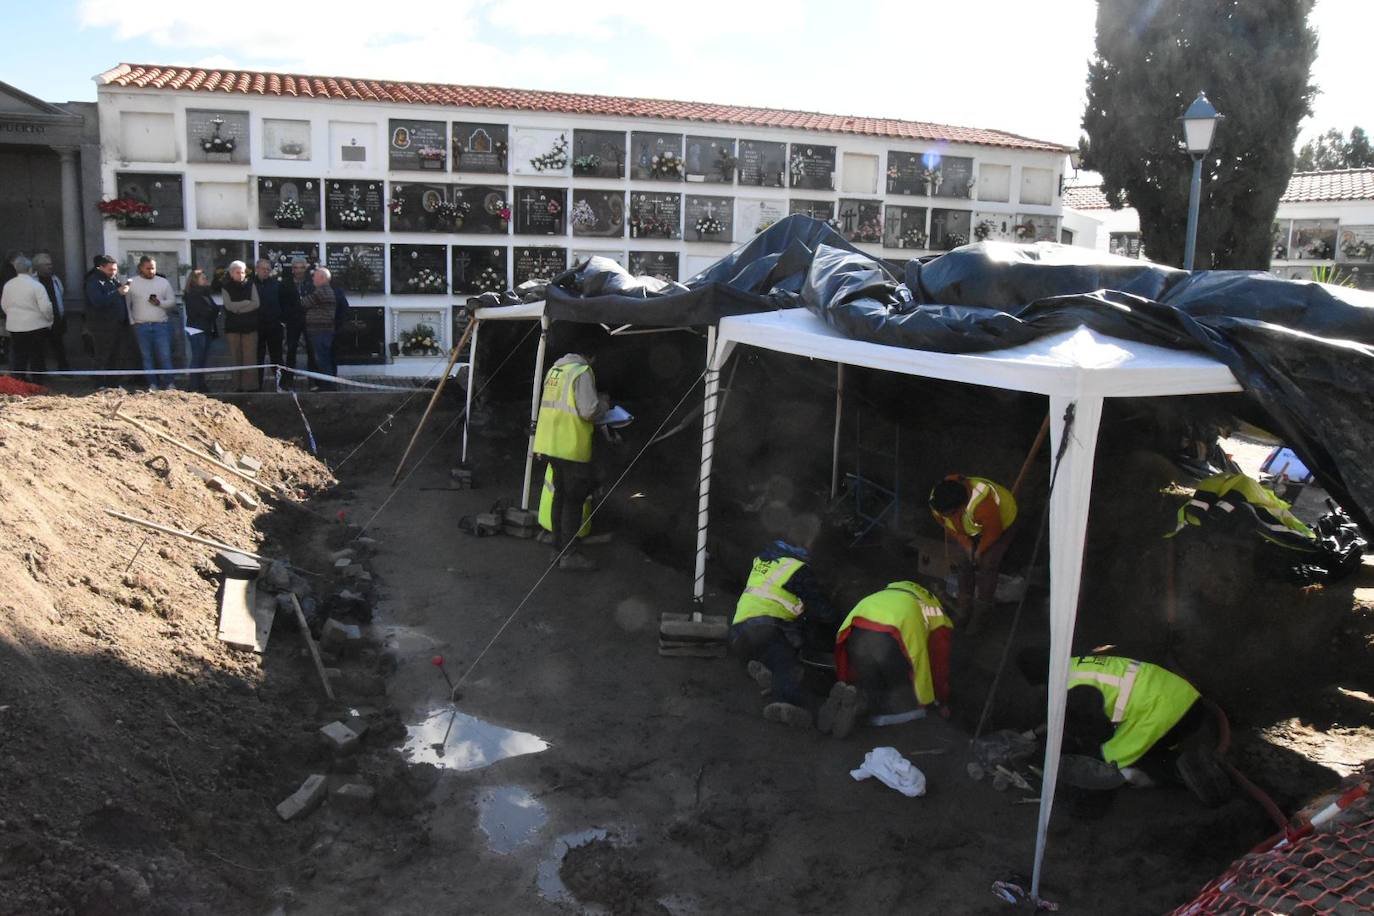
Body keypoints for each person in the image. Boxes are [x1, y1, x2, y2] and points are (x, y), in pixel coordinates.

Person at [1016, 648, 1230, 806]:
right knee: (1139, 745)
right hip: (1186, 700)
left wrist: (1080, 745)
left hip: (1169, 714)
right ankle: (1172, 760)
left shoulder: (1073, 689)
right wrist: (1036, 732)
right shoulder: (1075, 665)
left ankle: (1186, 773)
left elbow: (1097, 731)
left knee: (1108, 760)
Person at [730, 536, 839, 728]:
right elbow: (824, 612)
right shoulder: (797, 570)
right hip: (767, 626)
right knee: (786, 663)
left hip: (739, 631)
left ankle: (763, 672)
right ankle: (788, 703)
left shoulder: (765, 559)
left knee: (769, 654)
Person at [821, 580, 953, 738]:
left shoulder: (886, 593)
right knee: (901, 692)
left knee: (871, 679)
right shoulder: (935, 610)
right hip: (890, 641)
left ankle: (858, 702)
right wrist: (940, 699)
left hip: (856, 633)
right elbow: (939, 662)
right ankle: (873, 714)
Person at [532, 348, 608, 570]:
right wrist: (604, 403)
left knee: (560, 497)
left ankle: (557, 550)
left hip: (551, 444)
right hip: (572, 447)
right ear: (590, 355)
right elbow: (588, 411)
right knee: (573, 502)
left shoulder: (555, 370)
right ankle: (569, 555)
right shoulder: (582, 372)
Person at [929, 474, 1018, 629]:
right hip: (970, 528)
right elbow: (948, 526)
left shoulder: (982, 505)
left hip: (1002, 522)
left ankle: (981, 614)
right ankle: (963, 609)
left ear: (962, 507)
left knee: (988, 564)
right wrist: (967, 545)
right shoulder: (937, 501)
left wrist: (979, 551)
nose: (945, 516)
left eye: (950, 513)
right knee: (963, 562)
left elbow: (993, 532)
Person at [124, 256, 178, 390]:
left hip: (161, 325)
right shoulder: (132, 283)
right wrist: (132, 322)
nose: (151, 271)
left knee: (165, 355)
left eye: (153, 268)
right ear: (140, 268)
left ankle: (169, 383)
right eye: (148, 268)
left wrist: (160, 303)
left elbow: (172, 301)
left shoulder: (163, 282)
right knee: (146, 357)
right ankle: (152, 383)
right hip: (141, 325)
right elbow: (127, 304)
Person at [1, 255, 54, 382]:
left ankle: (19, 382)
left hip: (15, 326)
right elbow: (46, 307)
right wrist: (49, 320)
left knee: (19, 356)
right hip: (36, 326)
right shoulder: (36, 285)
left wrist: (14, 316)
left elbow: (4, 305)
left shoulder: (8, 285)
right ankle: (37, 382)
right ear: (30, 269)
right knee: (37, 356)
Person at [81, 255, 133, 380]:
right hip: (102, 326)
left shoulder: (114, 280)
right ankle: (99, 383)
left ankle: (113, 383)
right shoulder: (93, 281)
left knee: (117, 355)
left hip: (118, 324)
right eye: (110, 270)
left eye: (115, 270)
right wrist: (117, 293)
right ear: (101, 268)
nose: (113, 272)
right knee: (103, 355)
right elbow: (97, 301)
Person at [253, 259, 294, 391]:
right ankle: (257, 385)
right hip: (257, 326)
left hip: (274, 326)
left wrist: (282, 320)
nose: (265, 271)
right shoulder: (250, 284)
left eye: (268, 269)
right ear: (257, 269)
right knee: (257, 357)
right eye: (263, 269)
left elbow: (285, 304)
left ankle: (280, 385)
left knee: (276, 357)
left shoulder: (277, 285)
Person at [220, 261, 260, 392]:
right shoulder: (226, 287)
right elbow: (229, 306)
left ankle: (250, 386)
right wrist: (244, 303)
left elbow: (256, 303)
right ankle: (236, 386)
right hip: (233, 328)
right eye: (238, 272)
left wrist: (238, 308)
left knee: (250, 358)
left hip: (250, 327)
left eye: (242, 272)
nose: (241, 274)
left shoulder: (251, 284)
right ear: (231, 273)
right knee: (235, 357)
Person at [299, 267, 341, 389]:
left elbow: (304, 302)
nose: (313, 278)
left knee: (322, 360)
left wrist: (303, 297)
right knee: (323, 359)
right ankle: (326, 385)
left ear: (322, 278)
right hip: (321, 331)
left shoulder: (322, 291)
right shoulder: (324, 291)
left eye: (315, 276)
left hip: (321, 332)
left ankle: (327, 386)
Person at [182, 269, 219, 392]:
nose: (206, 280)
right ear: (195, 280)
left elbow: (212, 309)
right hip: (196, 330)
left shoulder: (205, 293)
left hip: (206, 328)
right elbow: (201, 312)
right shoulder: (192, 294)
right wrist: (212, 312)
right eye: (203, 278)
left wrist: (213, 312)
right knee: (197, 358)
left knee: (203, 359)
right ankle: (193, 386)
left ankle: (201, 384)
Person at [31, 253, 68, 371]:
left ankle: (64, 369)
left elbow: (60, 294)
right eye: (47, 265)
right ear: (38, 266)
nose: (50, 267)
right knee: (38, 348)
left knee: (59, 346)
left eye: (51, 264)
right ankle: (40, 372)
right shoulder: (32, 281)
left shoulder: (55, 279)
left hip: (56, 318)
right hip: (38, 320)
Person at [284, 258, 311, 378]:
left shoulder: (311, 283)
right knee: (291, 351)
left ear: (305, 269)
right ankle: (288, 380)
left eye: (302, 267)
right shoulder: (286, 284)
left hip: (309, 321)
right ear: (292, 270)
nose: (299, 271)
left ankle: (313, 381)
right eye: (296, 268)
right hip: (292, 321)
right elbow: (282, 302)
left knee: (311, 351)